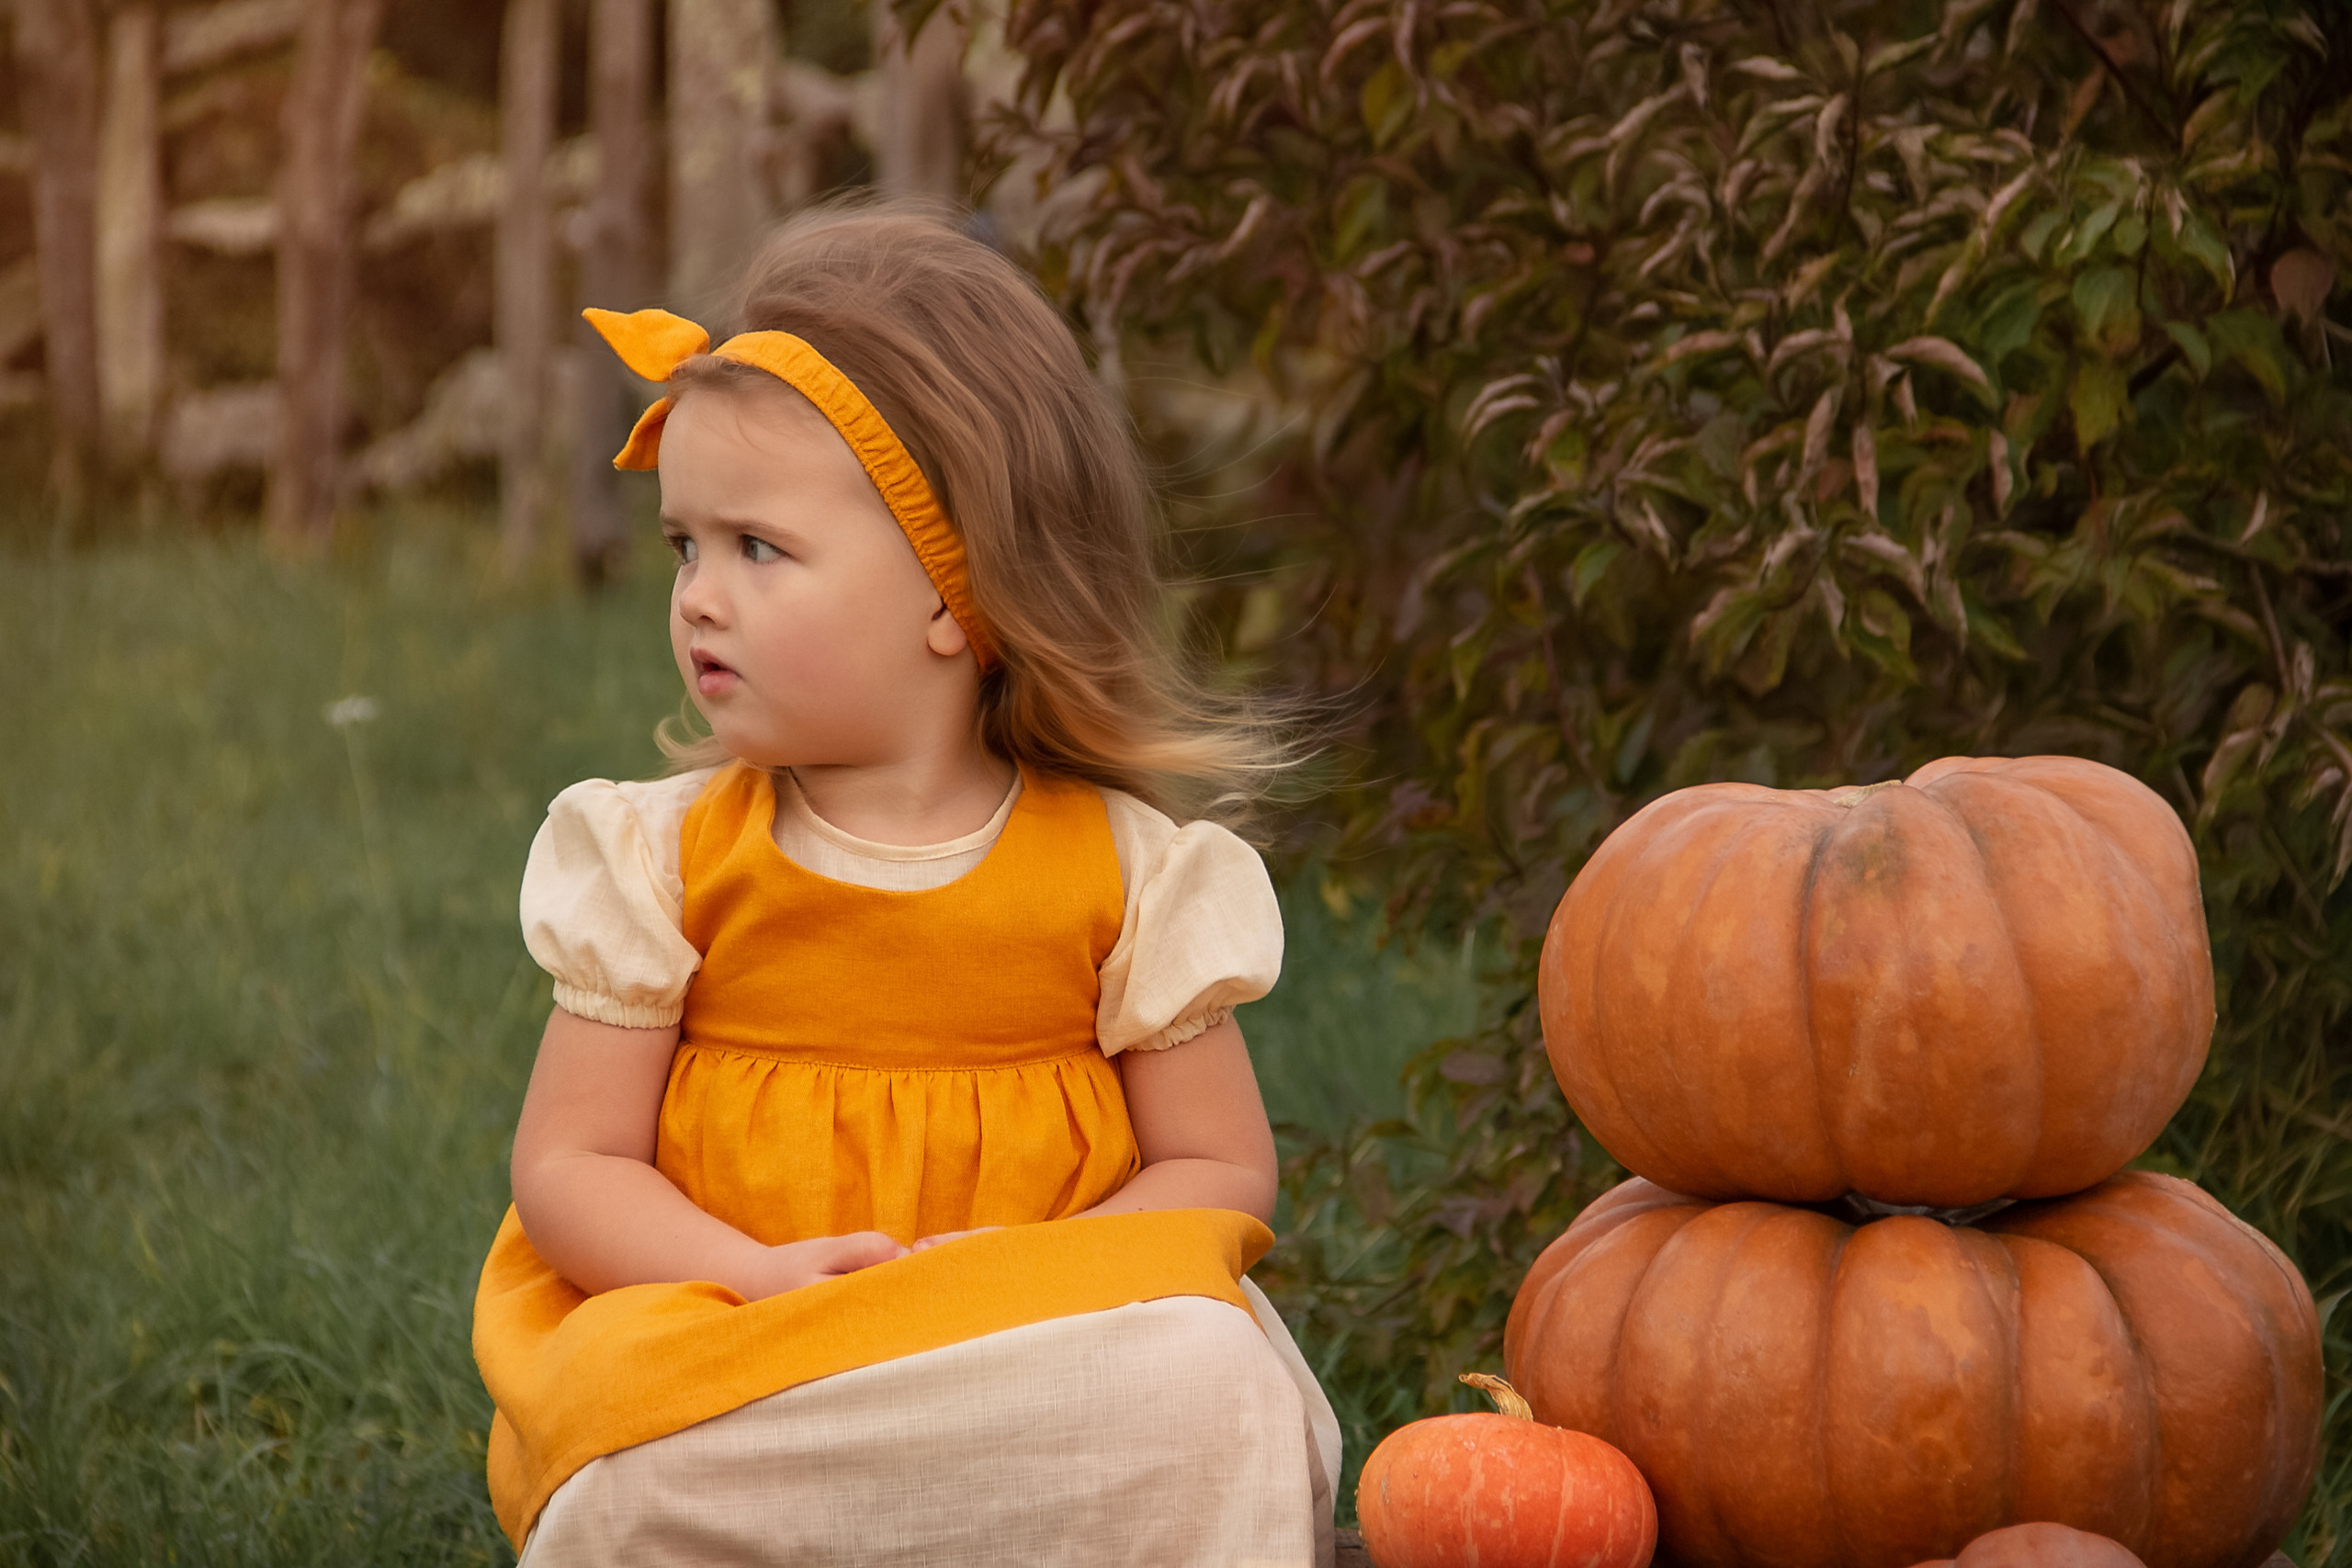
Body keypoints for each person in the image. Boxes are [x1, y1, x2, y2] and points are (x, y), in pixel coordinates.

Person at [471, 202, 1340, 1567]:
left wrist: (1030, 1288)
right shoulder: (662, 856)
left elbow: (1218, 1166)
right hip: (751, 1350)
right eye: (686, 547)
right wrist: (748, 1277)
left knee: (1212, 1387)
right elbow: (571, 1163)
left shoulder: (1121, 872)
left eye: (759, 549)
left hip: (1028, 1355)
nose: (698, 596)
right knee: (623, 1484)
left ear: (955, 594)